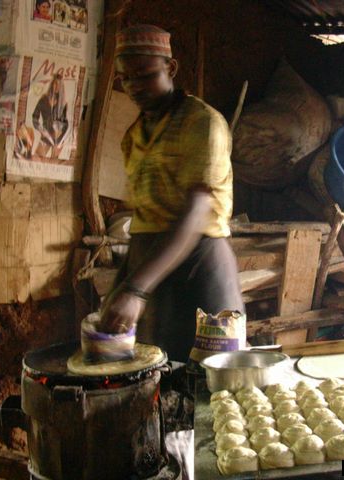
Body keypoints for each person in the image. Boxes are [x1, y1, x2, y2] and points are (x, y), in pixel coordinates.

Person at [98, 24, 244, 362]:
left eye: (145, 75)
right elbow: (144, 221)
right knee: (157, 376)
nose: (134, 87)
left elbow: (195, 214)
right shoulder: (134, 136)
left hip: (200, 265)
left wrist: (135, 289)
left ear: (171, 68)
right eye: (125, 79)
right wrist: (122, 285)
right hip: (153, 269)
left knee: (209, 385)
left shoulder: (202, 123)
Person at [32, 74, 69, 160]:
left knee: (54, 162)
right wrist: (41, 130)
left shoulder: (63, 104)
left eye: (59, 85)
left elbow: (66, 123)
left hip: (58, 139)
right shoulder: (43, 99)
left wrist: (60, 134)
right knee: (37, 160)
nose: (57, 87)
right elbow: (34, 118)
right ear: (52, 84)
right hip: (46, 136)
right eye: (55, 84)